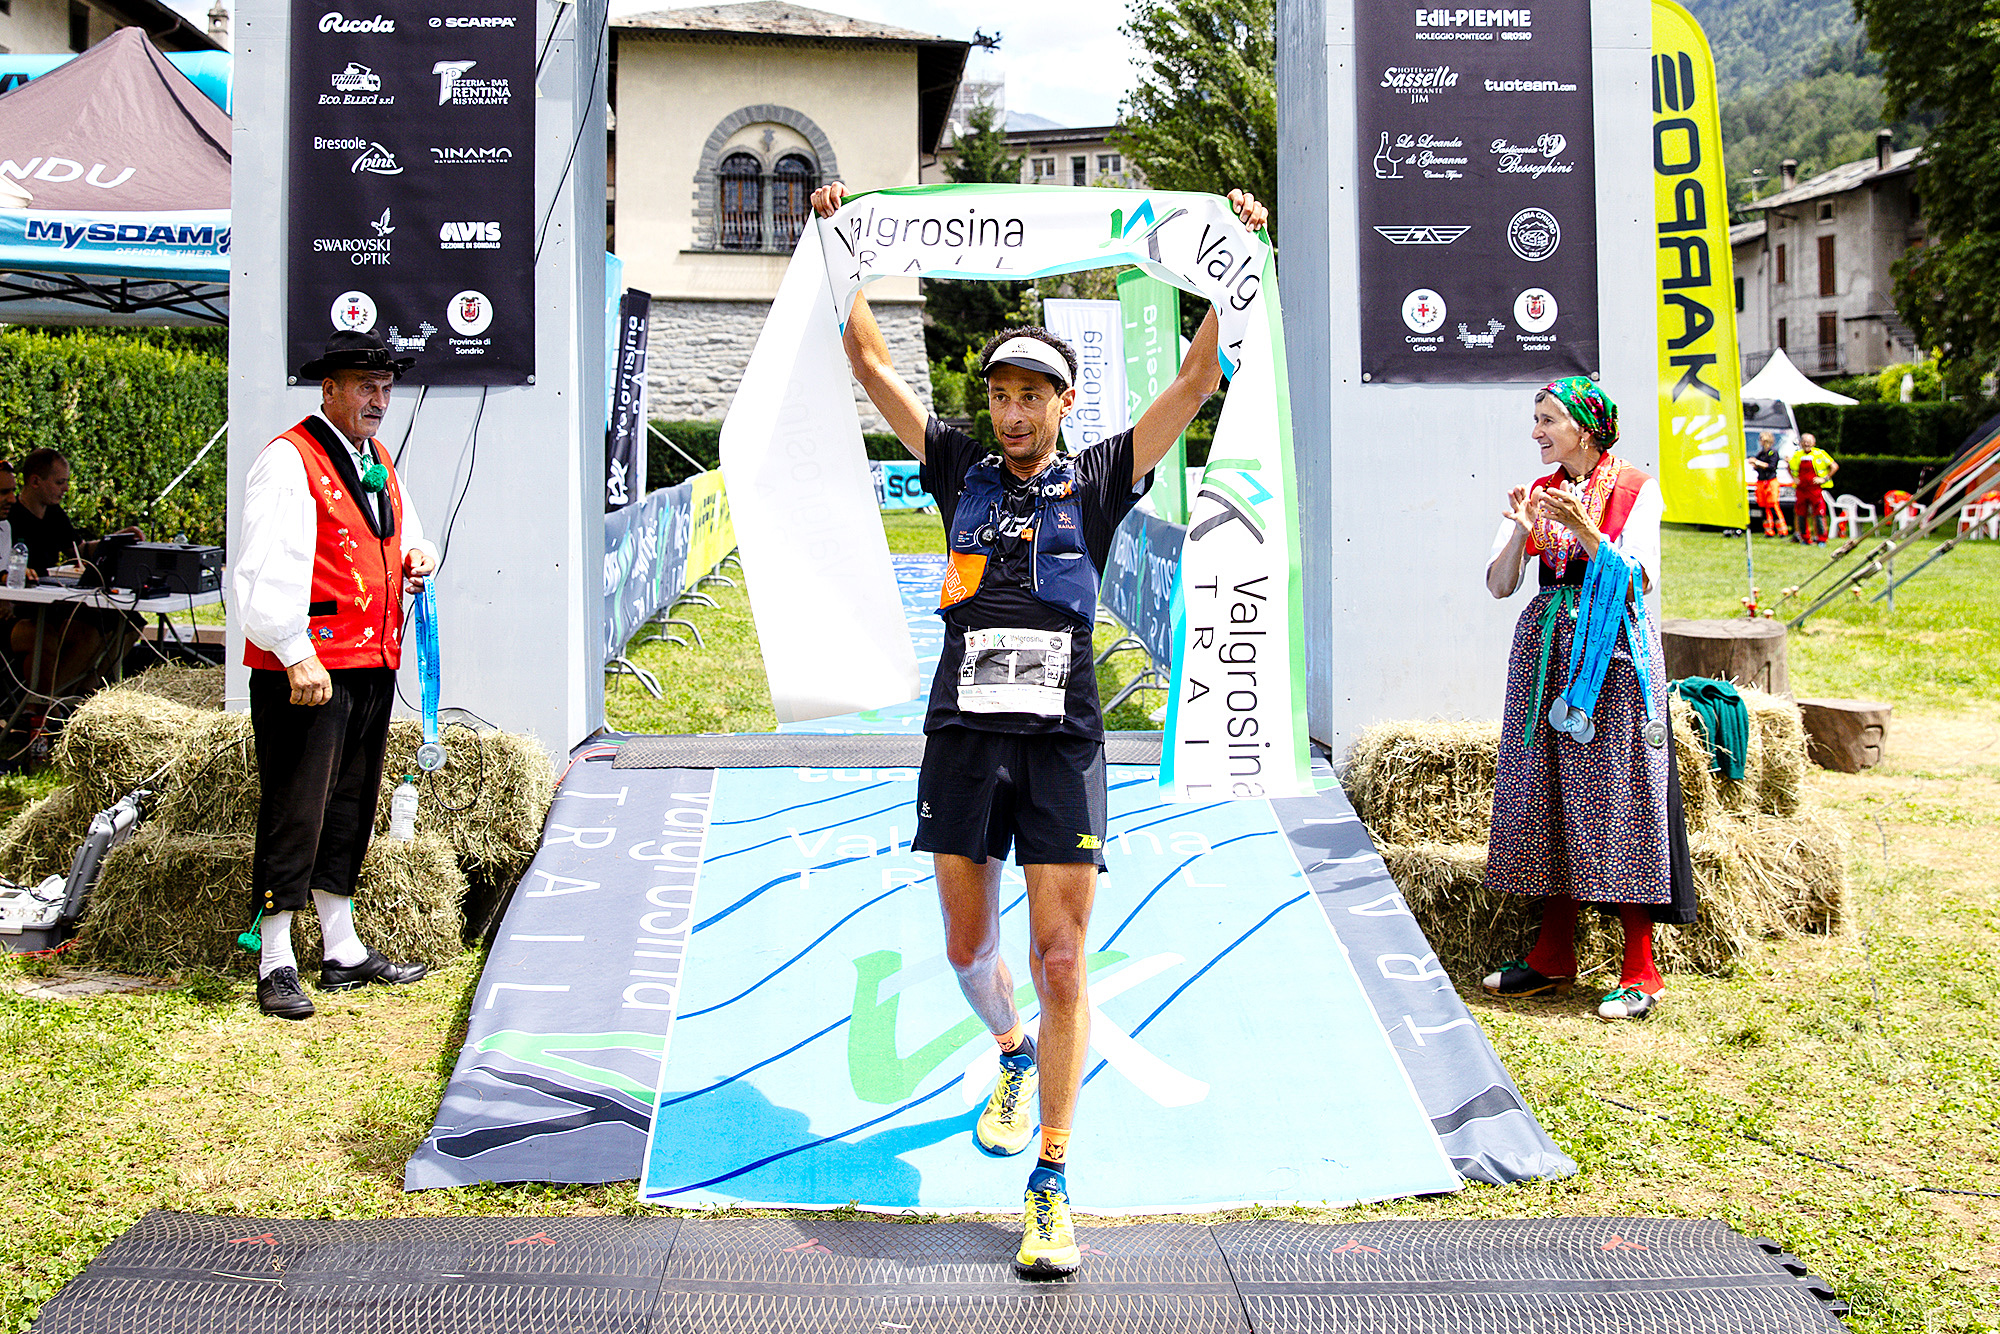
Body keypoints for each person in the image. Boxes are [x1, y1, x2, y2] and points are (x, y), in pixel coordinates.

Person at [809, 180, 1269, 1278]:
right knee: (970, 949)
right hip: (962, 738)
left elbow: (1201, 374)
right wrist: (838, 244)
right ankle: (1008, 1050)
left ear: (1064, 404)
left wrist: (1232, 256)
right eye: (1001, 393)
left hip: (1061, 740)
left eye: (1035, 395)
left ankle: (1052, 1181)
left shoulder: (1103, 472)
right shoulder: (957, 463)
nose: (1015, 412)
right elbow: (869, 362)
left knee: (1060, 958)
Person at [235, 330, 437, 1021]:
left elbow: (405, 527)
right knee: (298, 807)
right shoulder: (290, 459)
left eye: (385, 388)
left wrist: (418, 554)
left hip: (370, 661)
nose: (379, 400)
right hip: (311, 668)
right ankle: (274, 958)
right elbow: (261, 567)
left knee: (350, 804)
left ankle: (341, 947)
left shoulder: (376, 457)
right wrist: (294, 650)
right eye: (364, 387)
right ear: (330, 390)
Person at [1479, 378, 1695, 1022]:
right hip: (1544, 657)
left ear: (1586, 427)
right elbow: (1498, 585)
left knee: (1618, 796)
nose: (1538, 431)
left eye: (1548, 420)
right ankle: (1551, 955)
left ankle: (1641, 971)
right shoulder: (1536, 494)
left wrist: (1586, 529)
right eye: (1537, 419)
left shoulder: (1636, 488)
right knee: (1545, 795)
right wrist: (1520, 533)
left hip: (1615, 658)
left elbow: (1639, 580)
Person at [6, 448, 145, 692]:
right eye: (60, 482)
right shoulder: (10, 519)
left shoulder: (54, 514)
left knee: (129, 622)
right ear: (35, 481)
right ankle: (48, 704)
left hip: (52, 600)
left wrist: (113, 541)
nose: (66, 489)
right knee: (88, 633)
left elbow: (79, 550)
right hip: (26, 606)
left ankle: (83, 695)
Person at [1792, 433, 1837, 545]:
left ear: (1814, 443)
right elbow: (1790, 467)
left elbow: (1834, 466)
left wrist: (1824, 479)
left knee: (1819, 514)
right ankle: (1805, 538)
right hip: (1801, 490)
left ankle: (1821, 538)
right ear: (1801, 443)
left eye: (1809, 441)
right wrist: (1794, 478)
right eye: (1804, 441)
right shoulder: (1797, 455)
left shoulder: (1820, 454)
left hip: (1815, 490)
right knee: (1801, 514)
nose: (1806, 443)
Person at [1751, 432, 1789, 538]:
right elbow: (1758, 465)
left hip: (1771, 482)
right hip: (1761, 482)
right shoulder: (1760, 454)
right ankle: (1768, 531)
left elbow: (1771, 466)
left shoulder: (1773, 453)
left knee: (1773, 505)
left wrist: (1757, 463)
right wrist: (1755, 465)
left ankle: (1782, 531)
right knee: (1763, 507)